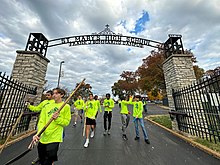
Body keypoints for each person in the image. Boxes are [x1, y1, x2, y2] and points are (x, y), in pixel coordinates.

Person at [32, 88, 71, 165]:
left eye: (56, 93)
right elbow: (42, 121)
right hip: (44, 137)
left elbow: (66, 122)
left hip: (55, 137)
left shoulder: (66, 106)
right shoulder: (47, 106)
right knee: (42, 160)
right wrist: (38, 133)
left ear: (62, 95)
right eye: (53, 93)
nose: (54, 95)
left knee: (49, 160)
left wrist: (57, 118)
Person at [26, 90, 54, 164]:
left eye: (48, 95)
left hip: (50, 126)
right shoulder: (44, 102)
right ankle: (40, 157)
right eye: (46, 95)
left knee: (50, 144)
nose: (46, 96)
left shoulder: (55, 103)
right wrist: (29, 106)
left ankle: (49, 160)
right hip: (41, 125)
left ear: (52, 95)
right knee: (40, 143)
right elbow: (37, 108)